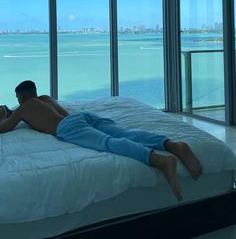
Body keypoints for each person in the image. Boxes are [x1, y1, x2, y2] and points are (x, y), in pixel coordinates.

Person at [0, 80, 203, 201]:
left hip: (68, 128)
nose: (18, 101)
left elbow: (6, 128)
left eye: (18, 98)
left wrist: (6, 115)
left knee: (108, 143)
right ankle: (172, 144)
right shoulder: (46, 98)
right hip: (81, 116)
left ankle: (160, 160)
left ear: (21, 96)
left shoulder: (24, 108)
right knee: (124, 133)